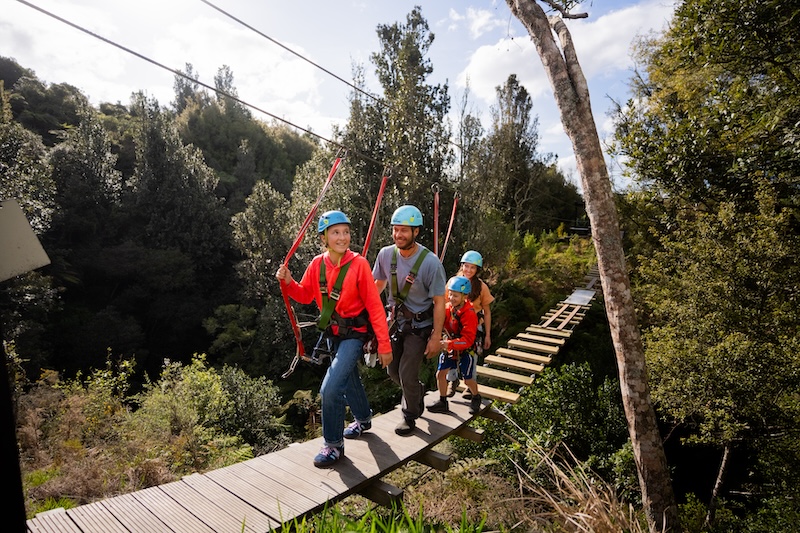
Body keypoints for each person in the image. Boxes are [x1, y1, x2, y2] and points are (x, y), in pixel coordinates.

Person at [276, 210, 392, 468]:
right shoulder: (317, 264)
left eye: (346, 232)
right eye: (336, 233)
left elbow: (374, 306)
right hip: (332, 333)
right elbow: (305, 295)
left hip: (355, 334)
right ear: (324, 238)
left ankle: (333, 445)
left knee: (330, 388)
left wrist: (384, 345)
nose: (342, 237)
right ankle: (363, 419)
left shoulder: (359, 264)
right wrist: (288, 281)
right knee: (349, 380)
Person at [372, 205, 447, 435]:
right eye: (396, 229)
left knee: (406, 373)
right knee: (392, 371)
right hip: (395, 323)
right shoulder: (386, 255)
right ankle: (416, 390)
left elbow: (439, 302)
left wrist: (436, 337)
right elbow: (377, 287)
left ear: (416, 232)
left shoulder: (430, 262)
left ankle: (410, 414)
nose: (398, 235)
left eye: (404, 230)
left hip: (419, 327)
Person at [427, 275, 483, 415]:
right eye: (450, 294)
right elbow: (440, 320)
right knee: (440, 374)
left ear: (464, 296)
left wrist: (449, 344)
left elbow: (468, 340)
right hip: (450, 345)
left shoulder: (469, 313)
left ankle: (476, 397)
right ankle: (442, 401)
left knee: (468, 379)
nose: (451, 298)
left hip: (465, 348)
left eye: (456, 296)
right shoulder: (448, 308)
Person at [448, 250, 495, 399]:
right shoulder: (453, 282)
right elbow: (444, 303)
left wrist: (487, 334)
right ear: (462, 266)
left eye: (472, 268)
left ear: (477, 270)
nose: (468, 270)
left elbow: (486, 312)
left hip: (474, 326)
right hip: (454, 324)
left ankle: (470, 384)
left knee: (471, 355)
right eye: (466, 266)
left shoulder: (481, 287)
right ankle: (452, 380)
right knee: (451, 351)